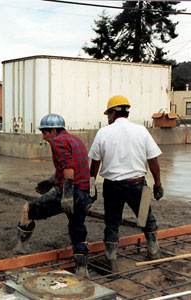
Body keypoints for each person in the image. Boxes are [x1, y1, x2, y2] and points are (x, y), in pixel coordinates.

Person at [88, 95, 163, 272]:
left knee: (112, 222)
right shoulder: (142, 131)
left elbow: (95, 163)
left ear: (113, 113)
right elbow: (153, 160)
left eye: (108, 114)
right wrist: (158, 183)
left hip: (112, 186)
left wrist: (91, 185)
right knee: (146, 217)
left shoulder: (103, 133)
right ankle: (154, 253)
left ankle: (111, 261)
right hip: (138, 183)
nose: (108, 118)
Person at [17, 114, 92, 278]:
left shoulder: (57, 142)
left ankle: (21, 247)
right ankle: (82, 269)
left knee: (27, 210)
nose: (44, 137)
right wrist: (51, 181)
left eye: (45, 132)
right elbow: (73, 165)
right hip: (84, 194)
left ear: (54, 130)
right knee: (77, 229)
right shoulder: (76, 140)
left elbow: (69, 169)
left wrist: (66, 195)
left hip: (70, 191)